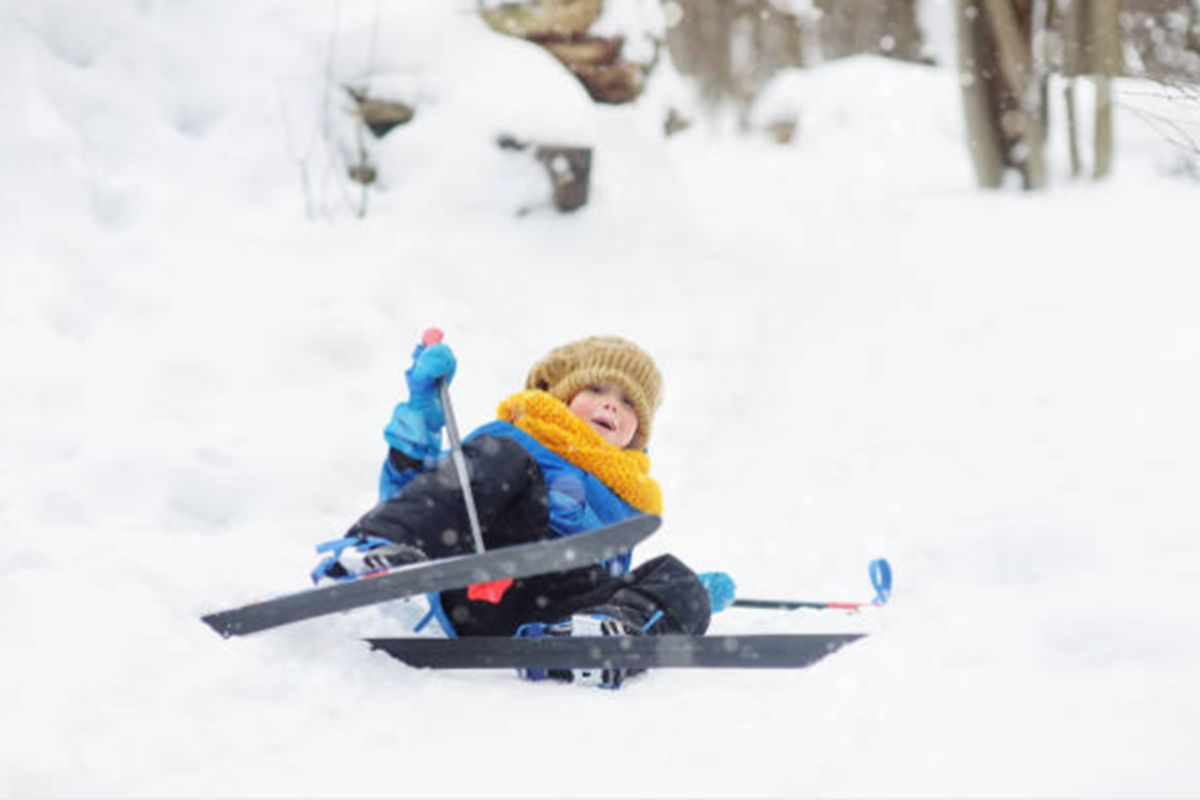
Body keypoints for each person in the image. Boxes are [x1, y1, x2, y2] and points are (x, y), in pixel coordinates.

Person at [314, 334, 733, 688]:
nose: (612, 407)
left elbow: (614, 573)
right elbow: (417, 493)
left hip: (554, 610)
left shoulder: (629, 497)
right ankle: (378, 549)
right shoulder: (514, 439)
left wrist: (683, 597)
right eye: (597, 390)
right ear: (563, 394)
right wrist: (420, 413)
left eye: (628, 403)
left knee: (676, 577)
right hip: (478, 574)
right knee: (502, 458)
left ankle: (599, 639)